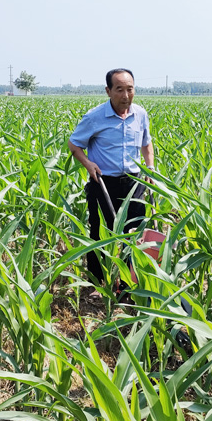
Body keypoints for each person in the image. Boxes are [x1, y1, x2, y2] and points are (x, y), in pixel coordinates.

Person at [68, 68, 155, 296]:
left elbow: (146, 143)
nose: (126, 95)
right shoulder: (94, 117)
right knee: (100, 233)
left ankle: (128, 284)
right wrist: (88, 164)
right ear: (108, 91)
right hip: (103, 182)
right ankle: (98, 284)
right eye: (119, 90)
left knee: (134, 232)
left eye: (130, 89)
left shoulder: (140, 114)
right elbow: (74, 144)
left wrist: (150, 167)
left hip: (134, 182)